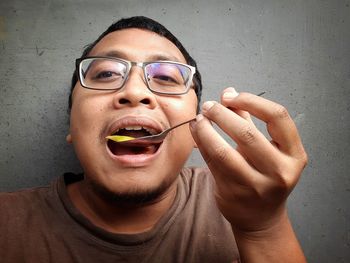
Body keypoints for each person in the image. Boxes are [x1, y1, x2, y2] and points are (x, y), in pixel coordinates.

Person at [0, 16, 308, 262]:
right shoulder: (7, 223)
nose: (135, 92)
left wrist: (263, 226)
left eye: (165, 77)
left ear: (195, 127)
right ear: (72, 124)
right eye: (106, 73)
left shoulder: (246, 196)